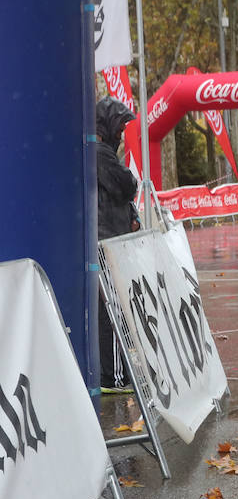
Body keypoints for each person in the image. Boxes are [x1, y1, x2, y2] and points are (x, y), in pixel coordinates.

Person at [96, 96, 138, 394]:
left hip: (109, 234)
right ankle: (114, 378)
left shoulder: (100, 153)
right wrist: (130, 182)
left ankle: (113, 374)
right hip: (106, 240)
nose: (123, 133)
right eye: (120, 127)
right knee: (112, 311)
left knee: (110, 309)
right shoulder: (100, 154)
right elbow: (125, 185)